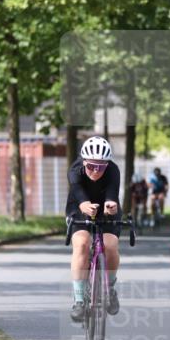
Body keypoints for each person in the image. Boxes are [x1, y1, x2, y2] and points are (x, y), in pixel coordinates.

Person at [67, 136, 121, 322]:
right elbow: (77, 189)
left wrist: (111, 205)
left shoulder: (113, 170)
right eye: (91, 166)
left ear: (107, 164)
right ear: (84, 162)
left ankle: (110, 289)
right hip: (79, 206)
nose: (96, 171)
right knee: (82, 243)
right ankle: (80, 300)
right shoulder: (75, 170)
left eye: (101, 167)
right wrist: (83, 204)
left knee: (111, 245)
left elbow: (112, 191)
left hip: (106, 207)